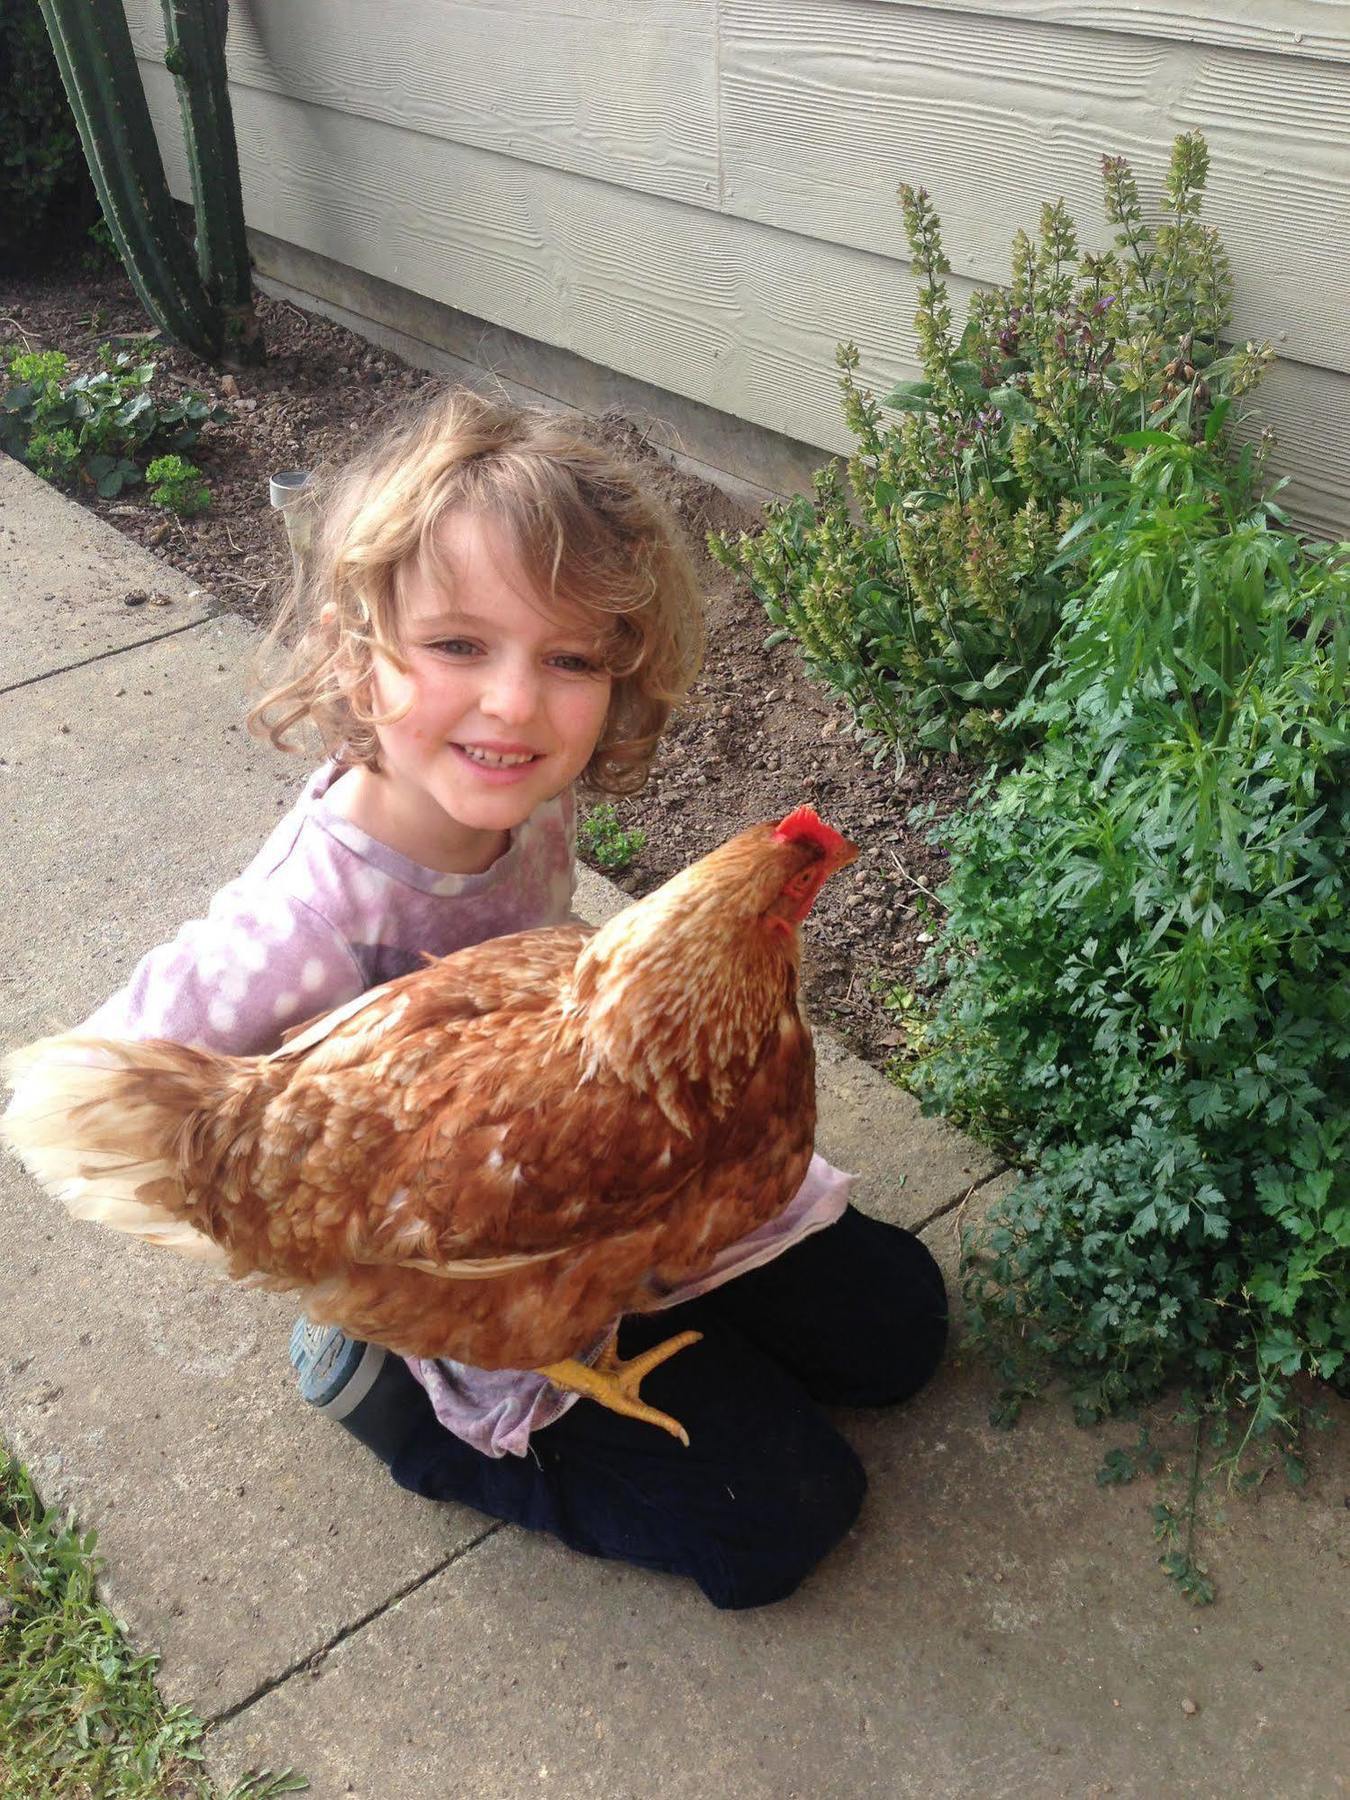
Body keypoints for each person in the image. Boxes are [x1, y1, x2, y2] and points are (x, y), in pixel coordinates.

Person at [77, 388, 949, 1610]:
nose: (515, 704)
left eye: (570, 660)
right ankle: (390, 1405)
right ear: (352, 649)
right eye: (457, 645)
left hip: (591, 1191)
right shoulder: (302, 925)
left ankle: (676, 1333)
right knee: (781, 1516)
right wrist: (273, 1175)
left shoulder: (524, 798)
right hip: (450, 1289)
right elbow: (108, 1081)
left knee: (899, 1329)